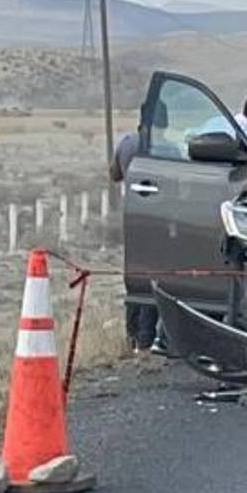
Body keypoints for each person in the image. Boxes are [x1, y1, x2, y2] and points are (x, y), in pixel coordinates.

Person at [108, 127, 158, 349]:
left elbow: (114, 174)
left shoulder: (127, 141)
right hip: (156, 214)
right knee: (155, 275)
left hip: (132, 213)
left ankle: (131, 337)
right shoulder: (162, 145)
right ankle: (146, 338)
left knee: (135, 276)